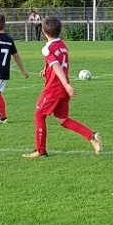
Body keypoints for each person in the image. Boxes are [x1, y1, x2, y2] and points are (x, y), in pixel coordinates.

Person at [24, 17, 103, 158]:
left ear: (43, 31)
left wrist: (66, 85)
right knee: (62, 119)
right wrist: (46, 69)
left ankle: (40, 150)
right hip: (62, 88)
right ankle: (91, 136)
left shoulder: (47, 48)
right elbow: (55, 63)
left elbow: (55, 65)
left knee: (39, 114)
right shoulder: (62, 45)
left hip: (55, 88)